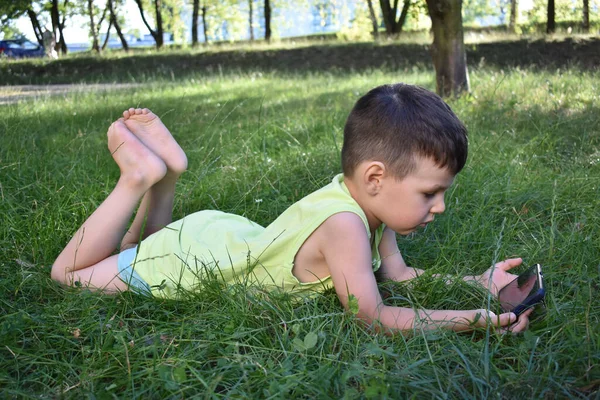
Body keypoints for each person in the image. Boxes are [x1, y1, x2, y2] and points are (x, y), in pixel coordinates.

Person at [51, 83, 533, 334]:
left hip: (220, 237)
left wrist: (477, 284)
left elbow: (398, 276)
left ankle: (168, 175)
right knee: (70, 274)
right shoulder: (346, 224)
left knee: (138, 248)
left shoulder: (369, 206)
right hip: (194, 262)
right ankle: (138, 178)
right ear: (375, 178)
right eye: (430, 193)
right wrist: (473, 318)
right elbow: (374, 318)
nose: (440, 206)